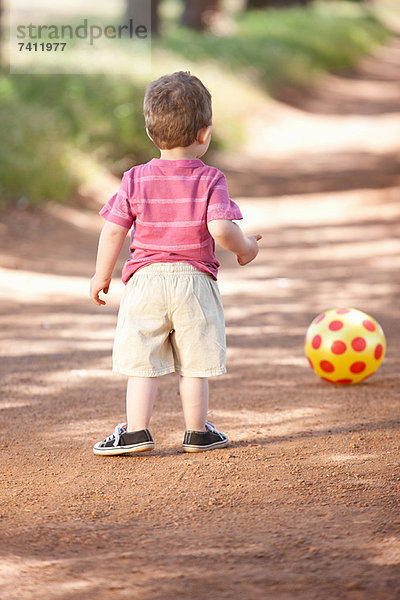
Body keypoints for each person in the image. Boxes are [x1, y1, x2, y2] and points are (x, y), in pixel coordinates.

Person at [90, 71, 261, 456]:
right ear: (205, 134)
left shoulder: (134, 179)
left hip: (145, 282)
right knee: (194, 362)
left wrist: (102, 275)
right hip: (195, 282)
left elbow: (114, 230)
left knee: (142, 360)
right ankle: (197, 432)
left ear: (152, 133)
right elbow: (220, 228)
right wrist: (246, 247)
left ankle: (136, 431)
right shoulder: (211, 179)